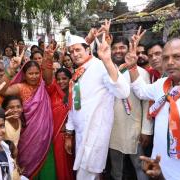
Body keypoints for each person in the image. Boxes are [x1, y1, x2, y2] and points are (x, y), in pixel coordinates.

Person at [125, 37, 180, 180]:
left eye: (177, 56)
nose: (170, 62)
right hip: (159, 168)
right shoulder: (163, 84)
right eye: (165, 58)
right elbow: (141, 91)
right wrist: (132, 67)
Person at [64, 28, 130, 179]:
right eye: (71, 51)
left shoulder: (101, 66)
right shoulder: (79, 71)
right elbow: (74, 105)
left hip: (96, 132)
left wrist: (107, 60)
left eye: (78, 50)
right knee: (86, 174)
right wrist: (69, 133)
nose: (74, 54)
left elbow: (123, 92)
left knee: (89, 174)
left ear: (88, 49)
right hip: (81, 133)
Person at [0, 49, 56, 178]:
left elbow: (48, 76)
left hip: (45, 137)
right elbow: (2, 91)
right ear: (24, 74)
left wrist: (48, 58)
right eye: (31, 73)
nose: (34, 76)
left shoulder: (43, 85)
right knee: (26, 166)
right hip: (27, 135)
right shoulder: (20, 87)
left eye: (37, 73)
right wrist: (11, 69)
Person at [109, 30, 152, 180]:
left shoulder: (141, 73)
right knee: (116, 170)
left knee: (140, 167)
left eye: (121, 47)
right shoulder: (107, 72)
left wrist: (146, 130)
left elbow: (147, 103)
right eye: (114, 48)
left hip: (134, 127)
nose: (118, 51)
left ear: (128, 49)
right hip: (112, 128)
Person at [45, 67, 75, 180]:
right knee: (60, 167)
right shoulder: (53, 91)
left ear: (70, 79)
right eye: (58, 79)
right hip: (57, 137)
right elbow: (47, 78)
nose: (61, 81)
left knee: (71, 165)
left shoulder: (75, 93)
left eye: (64, 78)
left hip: (72, 136)